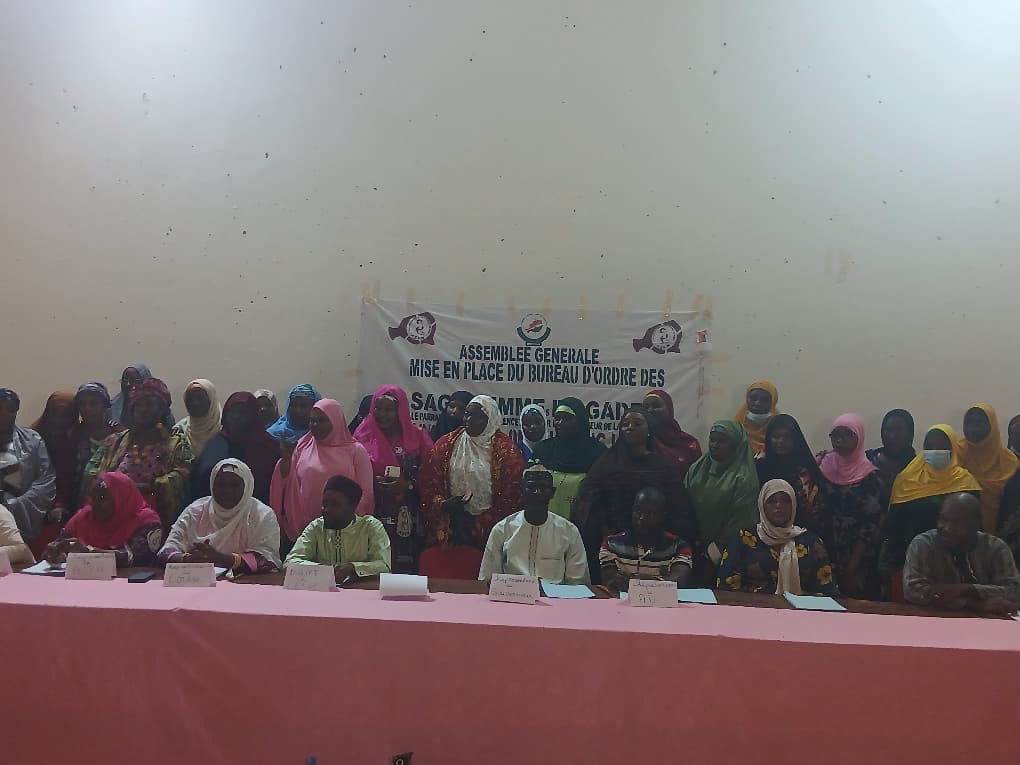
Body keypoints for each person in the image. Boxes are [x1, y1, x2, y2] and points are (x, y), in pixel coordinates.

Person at [577, 409, 693, 584]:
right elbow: (588, 503)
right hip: (615, 548)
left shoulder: (664, 466)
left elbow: (678, 509)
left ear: (649, 430)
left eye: (637, 424)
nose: (630, 427)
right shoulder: (607, 463)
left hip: (657, 548)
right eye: (625, 424)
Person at [880, 424, 981, 599]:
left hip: (956, 565)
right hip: (910, 562)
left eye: (942, 447)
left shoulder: (966, 482)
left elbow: (976, 529)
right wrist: (888, 565)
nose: (935, 451)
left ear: (953, 449)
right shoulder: (907, 479)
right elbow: (894, 526)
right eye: (930, 446)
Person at [80, 378, 194, 527]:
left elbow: (182, 475)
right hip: (111, 513)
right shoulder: (116, 441)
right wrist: (109, 487)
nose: (143, 409)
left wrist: (149, 487)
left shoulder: (176, 443)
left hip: (153, 517)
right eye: (139, 404)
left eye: (149, 404)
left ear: (162, 409)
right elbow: (92, 472)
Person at [420, 395, 525, 553]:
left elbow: (512, 496)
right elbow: (428, 480)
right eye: (467, 414)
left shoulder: (507, 452)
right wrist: (444, 504)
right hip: (451, 526)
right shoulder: (447, 444)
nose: (469, 420)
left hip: (490, 530)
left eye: (478, 416)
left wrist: (476, 525)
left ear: (491, 419)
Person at [270, 398, 374, 550]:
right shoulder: (303, 445)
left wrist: (346, 522)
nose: (315, 425)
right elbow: (288, 481)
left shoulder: (356, 451)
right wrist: (286, 459)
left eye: (322, 421)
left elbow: (366, 493)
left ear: (336, 421)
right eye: (312, 420)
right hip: (304, 528)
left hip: (344, 529)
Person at [353, 385, 433, 573]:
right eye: (378, 408)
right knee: (374, 564)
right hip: (373, 510)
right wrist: (370, 482)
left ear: (401, 410)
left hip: (409, 512)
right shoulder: (363, 435)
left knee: (405, 568)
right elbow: (352, 472)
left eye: (389, 409)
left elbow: (432, 474)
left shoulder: (417, 436)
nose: (382, 414)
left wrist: (409, 485)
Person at [716, 479, 838, 596]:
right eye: (772, 501)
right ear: (762, 505)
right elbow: (726, 587)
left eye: (785, 501)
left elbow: (827, 590)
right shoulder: (743, 539)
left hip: (801, 609)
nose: (779, 505)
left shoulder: (811, 542)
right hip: (752, 607)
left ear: (793, 505)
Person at [903, 492, 1020, 614]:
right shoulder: (924, 544)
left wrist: (968, 589)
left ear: (975, 525)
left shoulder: (995, 547)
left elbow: (1015, 591)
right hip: (936, 618)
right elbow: (913, 591)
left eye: (956, 523)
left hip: (988, 621)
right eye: (943, 519)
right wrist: (973, 604)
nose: (947, 528)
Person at [158, 459, 281, 574]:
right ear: (212, 485)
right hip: (197, 580)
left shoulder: (262, 515)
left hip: (245, 583)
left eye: (235, 485)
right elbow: (166, 551)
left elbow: (267, 560)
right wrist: (187, 559)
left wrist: (220, 559)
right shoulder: (195, 511)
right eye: (220, 485)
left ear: (247, 486)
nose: (227, 491)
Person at [815, 413, 886, 599]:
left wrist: (852, 569)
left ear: (859, 437)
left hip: (856, 556)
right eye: (836, 435)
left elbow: (870, 528)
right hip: (821, 549)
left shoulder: (870, 476)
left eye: (848, 434)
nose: (840, 440)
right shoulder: (820, 463)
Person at [479, 466, 589, 584]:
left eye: (543, 487)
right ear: (522, 491)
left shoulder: (569, 532)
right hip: (512, 594)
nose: (537, 492)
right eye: (531, 487)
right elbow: (488, 579)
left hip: (555, 594)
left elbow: (578, 583)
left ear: (552, 493)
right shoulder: (502, 529)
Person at [683, 419, 759, 579]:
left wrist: (714, 551)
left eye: (722, 441)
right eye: (712, 439)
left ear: (736, 445)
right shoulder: (698, 468)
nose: (715, 445)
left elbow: (740, 520)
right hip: (691, 545)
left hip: (727, 553)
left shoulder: (743, 478)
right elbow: (683, 504)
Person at [284, 474, 391, 581]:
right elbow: (290, 562)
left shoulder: (370, 527)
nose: (326, 509)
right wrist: (325, 570)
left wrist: (353, 568)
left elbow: (384, 566)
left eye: (335, 504)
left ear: (353, 506)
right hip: (323, 590)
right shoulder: (316, 527)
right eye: (324, 503)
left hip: (360, 589)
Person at [45, 472, 163, 568]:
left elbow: (136, 558)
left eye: (102, 498)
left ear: (120, 498)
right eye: (93, 497)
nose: (95, 504)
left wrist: (88, 552)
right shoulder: (84, 516)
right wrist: (57, 554)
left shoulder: (147, 521)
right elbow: (55, 548)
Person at [756, 414, 832, 551]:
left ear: (796, 439)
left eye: (787, 437)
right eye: (776, 436)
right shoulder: (760, 468)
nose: (781, 441)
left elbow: (819, 511)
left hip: (804, 540)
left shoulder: (806, 470)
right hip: (765, 540)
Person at [189, 392, 280, 504]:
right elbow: (198, 484)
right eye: (232, 412)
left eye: (242, 412)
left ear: (253, 415)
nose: (236, 417)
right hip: (215, 509)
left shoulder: (268, 446)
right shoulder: (216, 443)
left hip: (257, 509)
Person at [599, 486, 694, 592]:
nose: (642, 517)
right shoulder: (611, 544)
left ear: (662, 516)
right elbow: (609, 581)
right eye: (638, 511)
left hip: (663, 602)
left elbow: (679, 581)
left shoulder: (679, 547)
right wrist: (660, 582)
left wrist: (645, 584)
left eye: (650, 513)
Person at [530, 397, 606, 520]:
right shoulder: (545, 449)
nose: (560, 423)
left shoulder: (596, 452)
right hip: (545, 522)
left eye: (567, 418)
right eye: (557, 418)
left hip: (584, 523)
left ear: (580, 420)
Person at [0, 388, 56, 546]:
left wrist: (17, 505)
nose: (3, 415)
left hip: (24, 515)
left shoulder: (32, 440)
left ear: (17, 411)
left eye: (10, 410)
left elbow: (45, 481)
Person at [957, 403, 1019, 533]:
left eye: (980, 423)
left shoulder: (1009, 461)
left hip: (1000, 534)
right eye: (969, 423)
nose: (974, 428)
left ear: (992, 425)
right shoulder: (957, 454)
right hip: (957, 533)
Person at [73, 382, 124, 509]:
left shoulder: (120, 435)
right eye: (82, 404)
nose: (87, 409)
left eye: (93, 403)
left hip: (113, 501)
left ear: (105, 406)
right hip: (77, 502)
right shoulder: (73, 435)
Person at [31, 391, 78, 525]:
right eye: (55, 414)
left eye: (65, 415)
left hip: (71, 502)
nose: (59, 420)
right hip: (36, 500)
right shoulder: (33, 437)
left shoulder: (78, 436)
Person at [642, 389, 702, 476]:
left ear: (669, 409)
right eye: (646, 407)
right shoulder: (640, 441)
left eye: (656, 406)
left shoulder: (689, 444)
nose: (650, 410)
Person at [109, 364, 174, 428]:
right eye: (125, 380)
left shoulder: (161, 409)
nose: (128, 384)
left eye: (134, 380)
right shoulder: (111, 407)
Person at [866, 409, 916, 491]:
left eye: (899, 430)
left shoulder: (917, 467)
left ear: (910, 434)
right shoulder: (867, 460)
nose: (892, 436)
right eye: (889, 430)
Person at [173, 379, 222, 461]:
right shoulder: (179, 431)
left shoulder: (224, 429)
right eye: (190, 399)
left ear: (211, 399)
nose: (195, 403)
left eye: (200, 398)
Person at [735, 380, 778, 456]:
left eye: (765, 400)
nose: (757, 403)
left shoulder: (779, 426)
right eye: (753, 398)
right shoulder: (736, 426)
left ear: (773, 402)